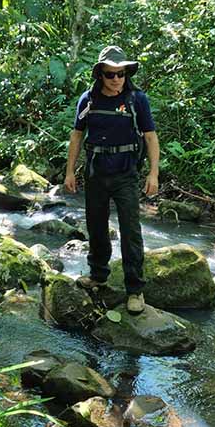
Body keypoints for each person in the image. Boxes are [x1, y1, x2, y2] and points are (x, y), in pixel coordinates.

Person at [63, 45, 160, 315]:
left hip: (126, 174)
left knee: (130, 231)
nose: (116, 79)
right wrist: (70, 172)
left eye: (121, 74)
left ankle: (135, 290)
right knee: (96, 226)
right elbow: (76, 135)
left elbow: (151, 137)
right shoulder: (88, 100)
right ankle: (98, 275)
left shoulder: (136, 99)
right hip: (95, 173)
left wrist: (153, 173)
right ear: (100, 75)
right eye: (110, 74)